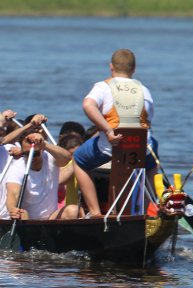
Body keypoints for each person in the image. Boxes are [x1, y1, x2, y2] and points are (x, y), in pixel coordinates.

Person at [73, 48, 156, 217]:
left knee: (78, 160)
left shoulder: (103, 87)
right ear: (134, 69)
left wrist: (107, 129)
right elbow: (148, 121)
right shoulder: (144, 90)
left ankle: (95, 212)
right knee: (152, 162)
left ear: (111, 67)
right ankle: (149, 208)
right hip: (140, 147)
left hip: (112, 144)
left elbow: (88, 105)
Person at [6, 130, 80, 220]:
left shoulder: (50, 158)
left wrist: (44, 144)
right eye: (26, 154)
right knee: (22, 213)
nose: (31, 158)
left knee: (73, 210)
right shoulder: (17, 167)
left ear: (42, 150)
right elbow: (13, 193)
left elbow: (67, 158)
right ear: (22, 151)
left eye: (35, 154)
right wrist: (12, 209)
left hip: (52, 217)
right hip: (28, 219)